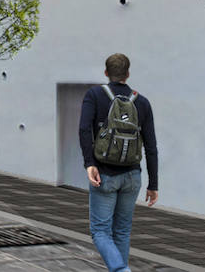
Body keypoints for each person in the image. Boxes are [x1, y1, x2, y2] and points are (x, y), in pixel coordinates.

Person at [79, 53, 158, 272]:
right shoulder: (142, 102)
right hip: (133, 176)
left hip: (104, 174)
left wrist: (89, 164)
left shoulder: (94, 95)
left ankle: (121, 270)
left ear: (106, 73)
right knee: (122, 231)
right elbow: (151, 147)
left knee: (100, 231)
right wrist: (153, 184)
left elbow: (85, 130)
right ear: (128, 74)